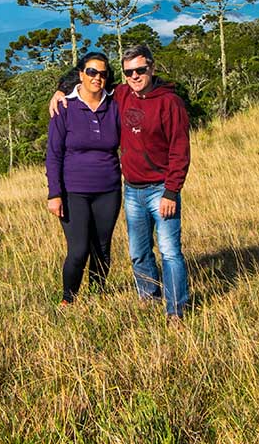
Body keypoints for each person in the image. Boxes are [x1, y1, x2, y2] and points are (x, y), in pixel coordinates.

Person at [52, 44, 191, 323]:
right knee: (138, 253)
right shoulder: (122, 93)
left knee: (169, 252)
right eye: (129, 72)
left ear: (152, 68)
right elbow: (90, 79)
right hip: (131, 190)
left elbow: (180, 150)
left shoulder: (167, 102)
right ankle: (146, 297)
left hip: (159, 189)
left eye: (141, 70)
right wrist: (59, 89)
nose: (135, 76)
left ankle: (175, 310)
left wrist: (172, 191)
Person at [45, 52, 122, 306]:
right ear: (80, 74)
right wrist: (54, 194)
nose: (96, 78)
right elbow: (53, 154)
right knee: (78, 250)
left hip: (108, 189)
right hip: (73, 191)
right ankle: (69, 299)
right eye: (91, 72)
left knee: (102, 248)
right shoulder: (65, 106)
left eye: (102, 73)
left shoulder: (115, 104)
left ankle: (97, 296)